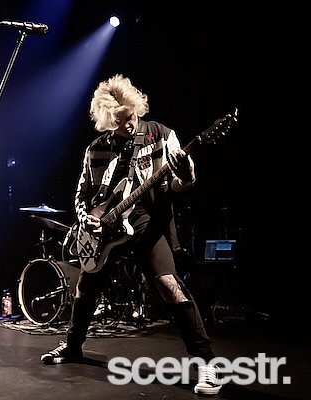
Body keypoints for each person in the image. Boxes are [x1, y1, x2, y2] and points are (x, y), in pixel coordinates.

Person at [40, 74, 222, 395]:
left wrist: (187, 174)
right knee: (85, 287)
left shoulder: (161, 135)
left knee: (170, 287)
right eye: (120, 121)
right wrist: (87, 220)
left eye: (132, 116)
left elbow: (178, 186)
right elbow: (82, 194)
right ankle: (72, 345)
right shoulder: (95, 150)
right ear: (108, 121)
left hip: (147, 224)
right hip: (106, 231)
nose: (129, 124)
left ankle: (206, 364)